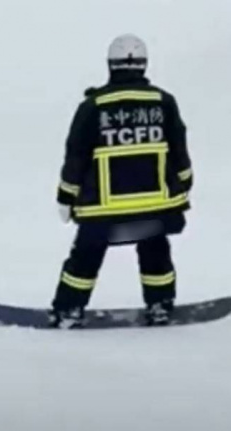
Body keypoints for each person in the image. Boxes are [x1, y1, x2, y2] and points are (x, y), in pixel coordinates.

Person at [50, 34, 193, 328]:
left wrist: (66, 196)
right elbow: (179, 149)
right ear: (143, 65)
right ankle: (160, 306)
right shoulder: (163, 102)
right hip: (155, 203)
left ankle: (69, 309)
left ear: (111, 65)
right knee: (155, 251)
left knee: (85, 257)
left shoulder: (93, 106)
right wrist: (184, 182)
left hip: (102, 206)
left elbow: (76, 155)